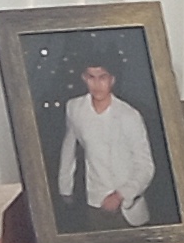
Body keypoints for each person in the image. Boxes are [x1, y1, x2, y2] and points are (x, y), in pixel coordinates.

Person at [55, 59, 163, 225]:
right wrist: (65, 187)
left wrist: (121, 195)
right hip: (94, 203)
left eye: (102, 77)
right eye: (91, 77)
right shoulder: (75, 108)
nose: (96, 84)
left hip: (128, 208)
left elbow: (145, 166)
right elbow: (68, 148)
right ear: (84, 78)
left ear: (112, 79)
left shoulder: (129, 115)